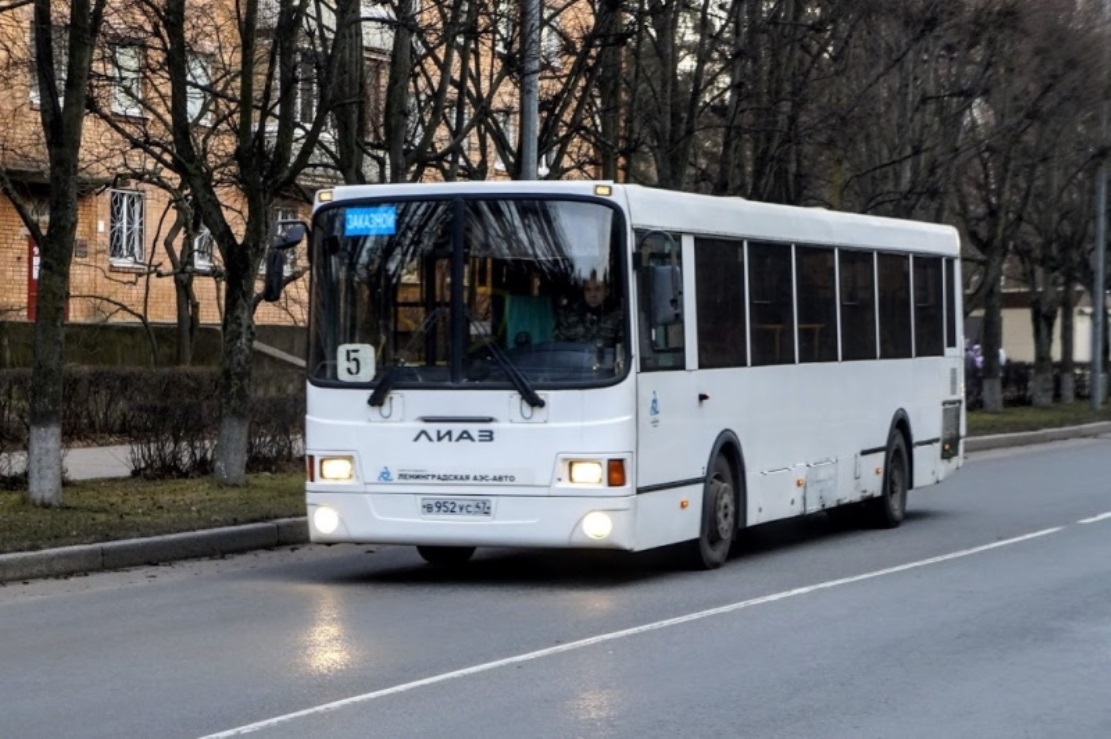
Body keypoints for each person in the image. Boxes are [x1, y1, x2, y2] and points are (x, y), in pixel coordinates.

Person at [554, 275, 623, 346]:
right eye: (588, 289)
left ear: (607, 291)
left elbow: (623, 350)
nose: (592, 294)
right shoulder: (568, 315)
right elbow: (559, 346)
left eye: (597, 289)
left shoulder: (618, 317)